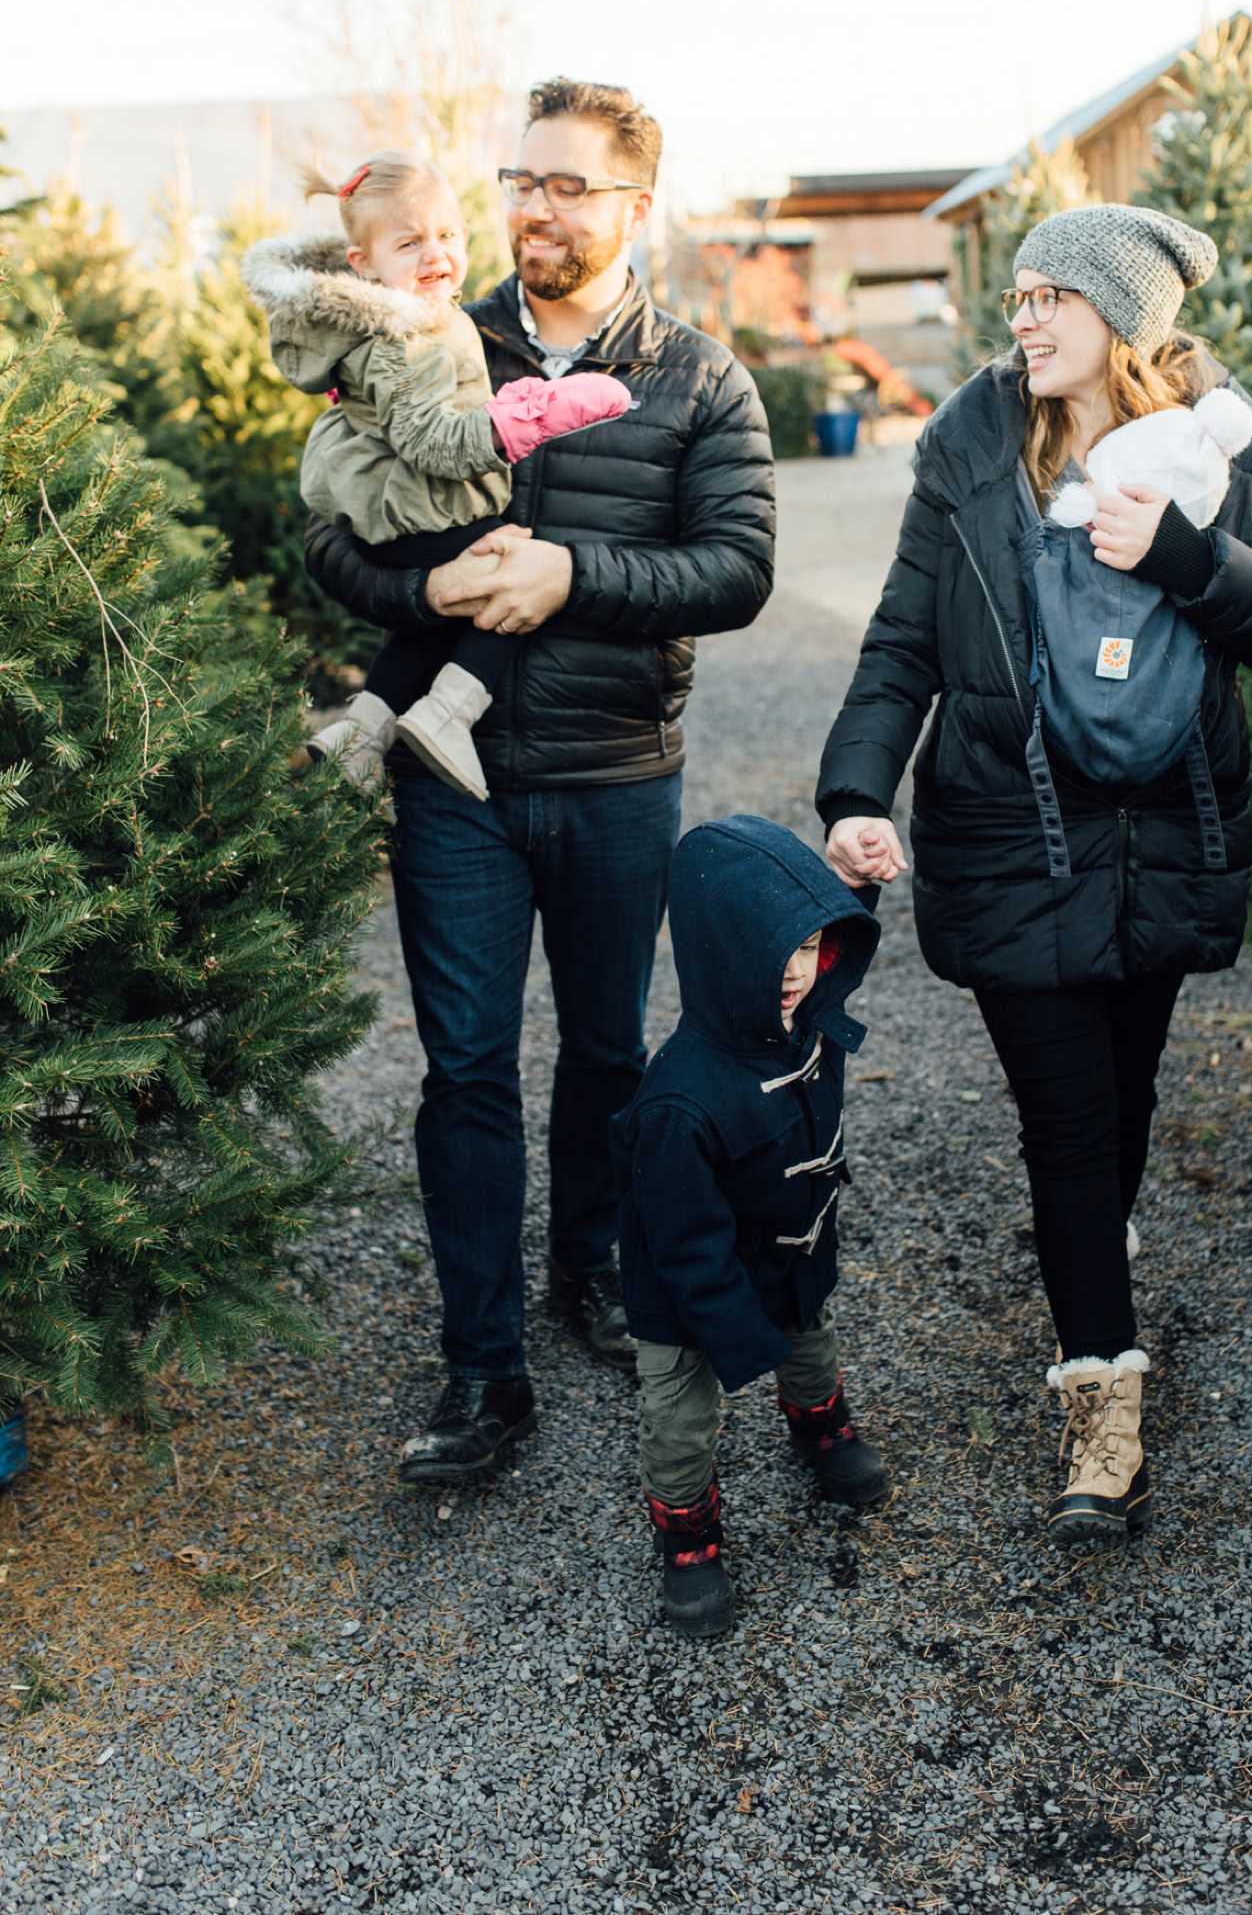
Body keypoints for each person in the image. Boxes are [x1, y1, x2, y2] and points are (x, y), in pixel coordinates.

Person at [816, 203, 1252, 1543]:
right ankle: (1104, 1410)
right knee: (1067, 1121)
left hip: (1166, 836)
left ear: (1129, 320)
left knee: (1125, 1097)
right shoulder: (972, 442)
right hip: (1008, 834)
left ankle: (1093, 1253)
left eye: (1055, 296)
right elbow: (900, 642)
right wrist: (857, 789)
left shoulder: (1230, 445)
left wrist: (1179, 551)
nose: (1026, 317)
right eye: (1020, 296)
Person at [302, 81, 775, 1482]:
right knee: (463, 1066)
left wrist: (576, 574)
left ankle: (595, 1263)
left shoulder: (699, 377)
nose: (534, 207)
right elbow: (329, 533)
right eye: (521, 179)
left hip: (620, 769)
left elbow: (738, 567)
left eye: (567, 184)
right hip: (457, 778)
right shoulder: (419, 331)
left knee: (611, 1048)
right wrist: (422, 578)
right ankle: (480, 1364)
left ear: (636, 205)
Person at [245, 153, 631, 799]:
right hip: (415, 509)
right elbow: (430, 441)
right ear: (362, 263)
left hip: (393, 512)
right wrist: (523, 419)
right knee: (512, 572)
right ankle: (446, 714)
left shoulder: (408, 317)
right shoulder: (410, 331)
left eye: (447, 235)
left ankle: (362, 731)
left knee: (430, 623)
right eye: (409, 242)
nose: (435, 255)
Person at [614, 815, 888, 1637]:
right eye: (779, 953)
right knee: (679, 1414)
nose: (799, 973)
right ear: (721, 953)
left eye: (812, 949)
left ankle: (819, 1421)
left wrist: (858, 883)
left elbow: (828, 937)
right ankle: (688, 1532)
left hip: (787, 1240)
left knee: (810, 1335)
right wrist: (738, 1337)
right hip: (686, 1285)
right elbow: (685, 1244)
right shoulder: (677, 1102)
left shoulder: (801, 1022)